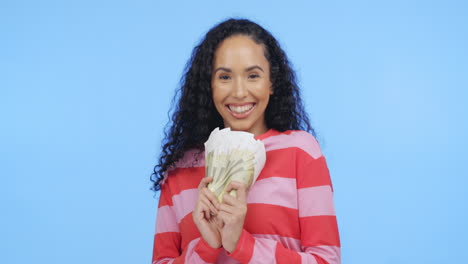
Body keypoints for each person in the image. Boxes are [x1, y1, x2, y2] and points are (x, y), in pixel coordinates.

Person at [151, 18, 341, 264]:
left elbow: (326, 260)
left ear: (271, 82)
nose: (239, 92)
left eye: (253, 75)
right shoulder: (180, 168)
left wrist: (241, 244)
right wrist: (208, 246)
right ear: (208, 86)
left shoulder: (301, 152)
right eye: (224, 77)